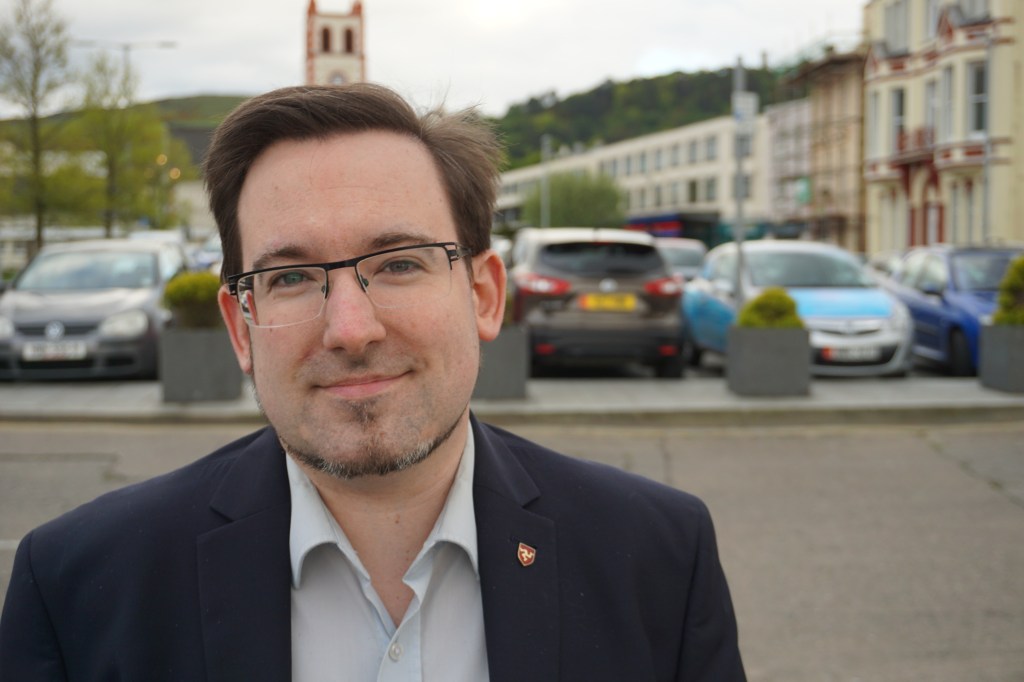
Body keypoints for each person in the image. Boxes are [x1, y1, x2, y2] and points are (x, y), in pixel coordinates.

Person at [0, 83, 745, 681]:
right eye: (291, 277)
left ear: (485, 296)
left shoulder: (657, 559)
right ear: (241, 327)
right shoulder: (78, 587)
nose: (351, 329)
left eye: (399, 264)